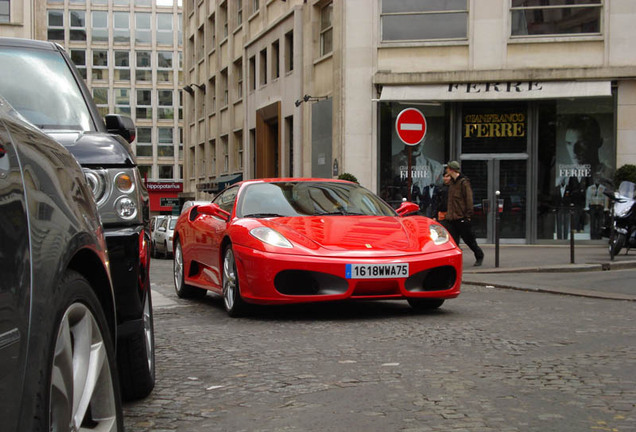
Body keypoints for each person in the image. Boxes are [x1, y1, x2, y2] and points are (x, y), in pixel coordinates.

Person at [445, 161, 484, 266]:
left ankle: (479, 255)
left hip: (461, 217)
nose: (446, 170)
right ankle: (455, 261)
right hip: (452, 218)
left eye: (447, 168)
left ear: (452, 169)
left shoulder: (463, 183)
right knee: (453, 242)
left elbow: (469, 200)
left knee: (469, 240)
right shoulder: (452, 183)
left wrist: (468, 216)